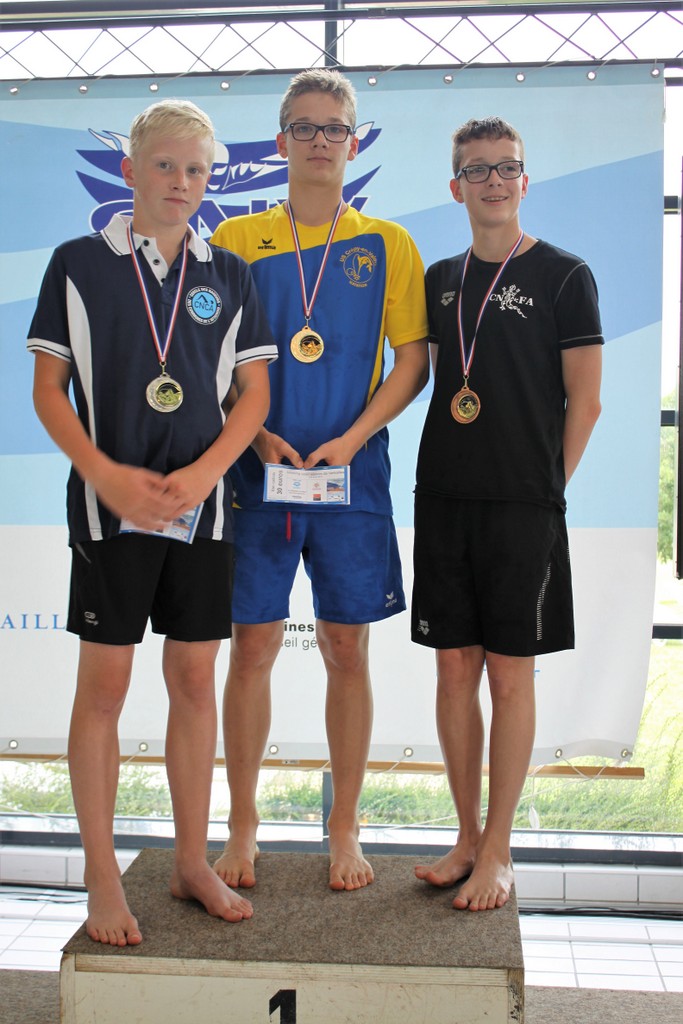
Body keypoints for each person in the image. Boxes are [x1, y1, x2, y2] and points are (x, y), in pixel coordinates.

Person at [27, 99, 277, 945]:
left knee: (196, 683)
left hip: (202, 512)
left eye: (197, 170)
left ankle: (190, 860)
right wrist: (105, 475)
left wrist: (206, 474)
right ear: (130, 169)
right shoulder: (77, 264)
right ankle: (102, 879)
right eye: (165, 165)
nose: (181, 182)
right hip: (111, 511)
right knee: (104, 691)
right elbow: (49, 392)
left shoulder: (228, 273)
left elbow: (254, 397)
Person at [211, 69, 429, 892]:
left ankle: (344, 829)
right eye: (303, 127)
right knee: (253, 648)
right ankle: (242, 827)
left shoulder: (388, 244)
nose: (318, 140)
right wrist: (256, 434)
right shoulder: (235, 237)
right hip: (256, 469)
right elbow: (211, 357)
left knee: (346, 648)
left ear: (354, 141)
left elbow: (411, 361)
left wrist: (353, 438)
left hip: (351, 475)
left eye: (333, 127)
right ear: (280, 142)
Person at [412, 116, 603, 911]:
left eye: (505, 168)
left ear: (524, 182)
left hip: (523, 507)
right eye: (476, 169)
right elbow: (428, 379)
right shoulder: (439, 278)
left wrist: (542, 491)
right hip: (443, 498)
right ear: (454, 186)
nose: (492, 180)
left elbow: (584, 403)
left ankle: (498, 848)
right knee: (452, 668)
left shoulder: (564, 276)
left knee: (508, 673)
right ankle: (464, 837)